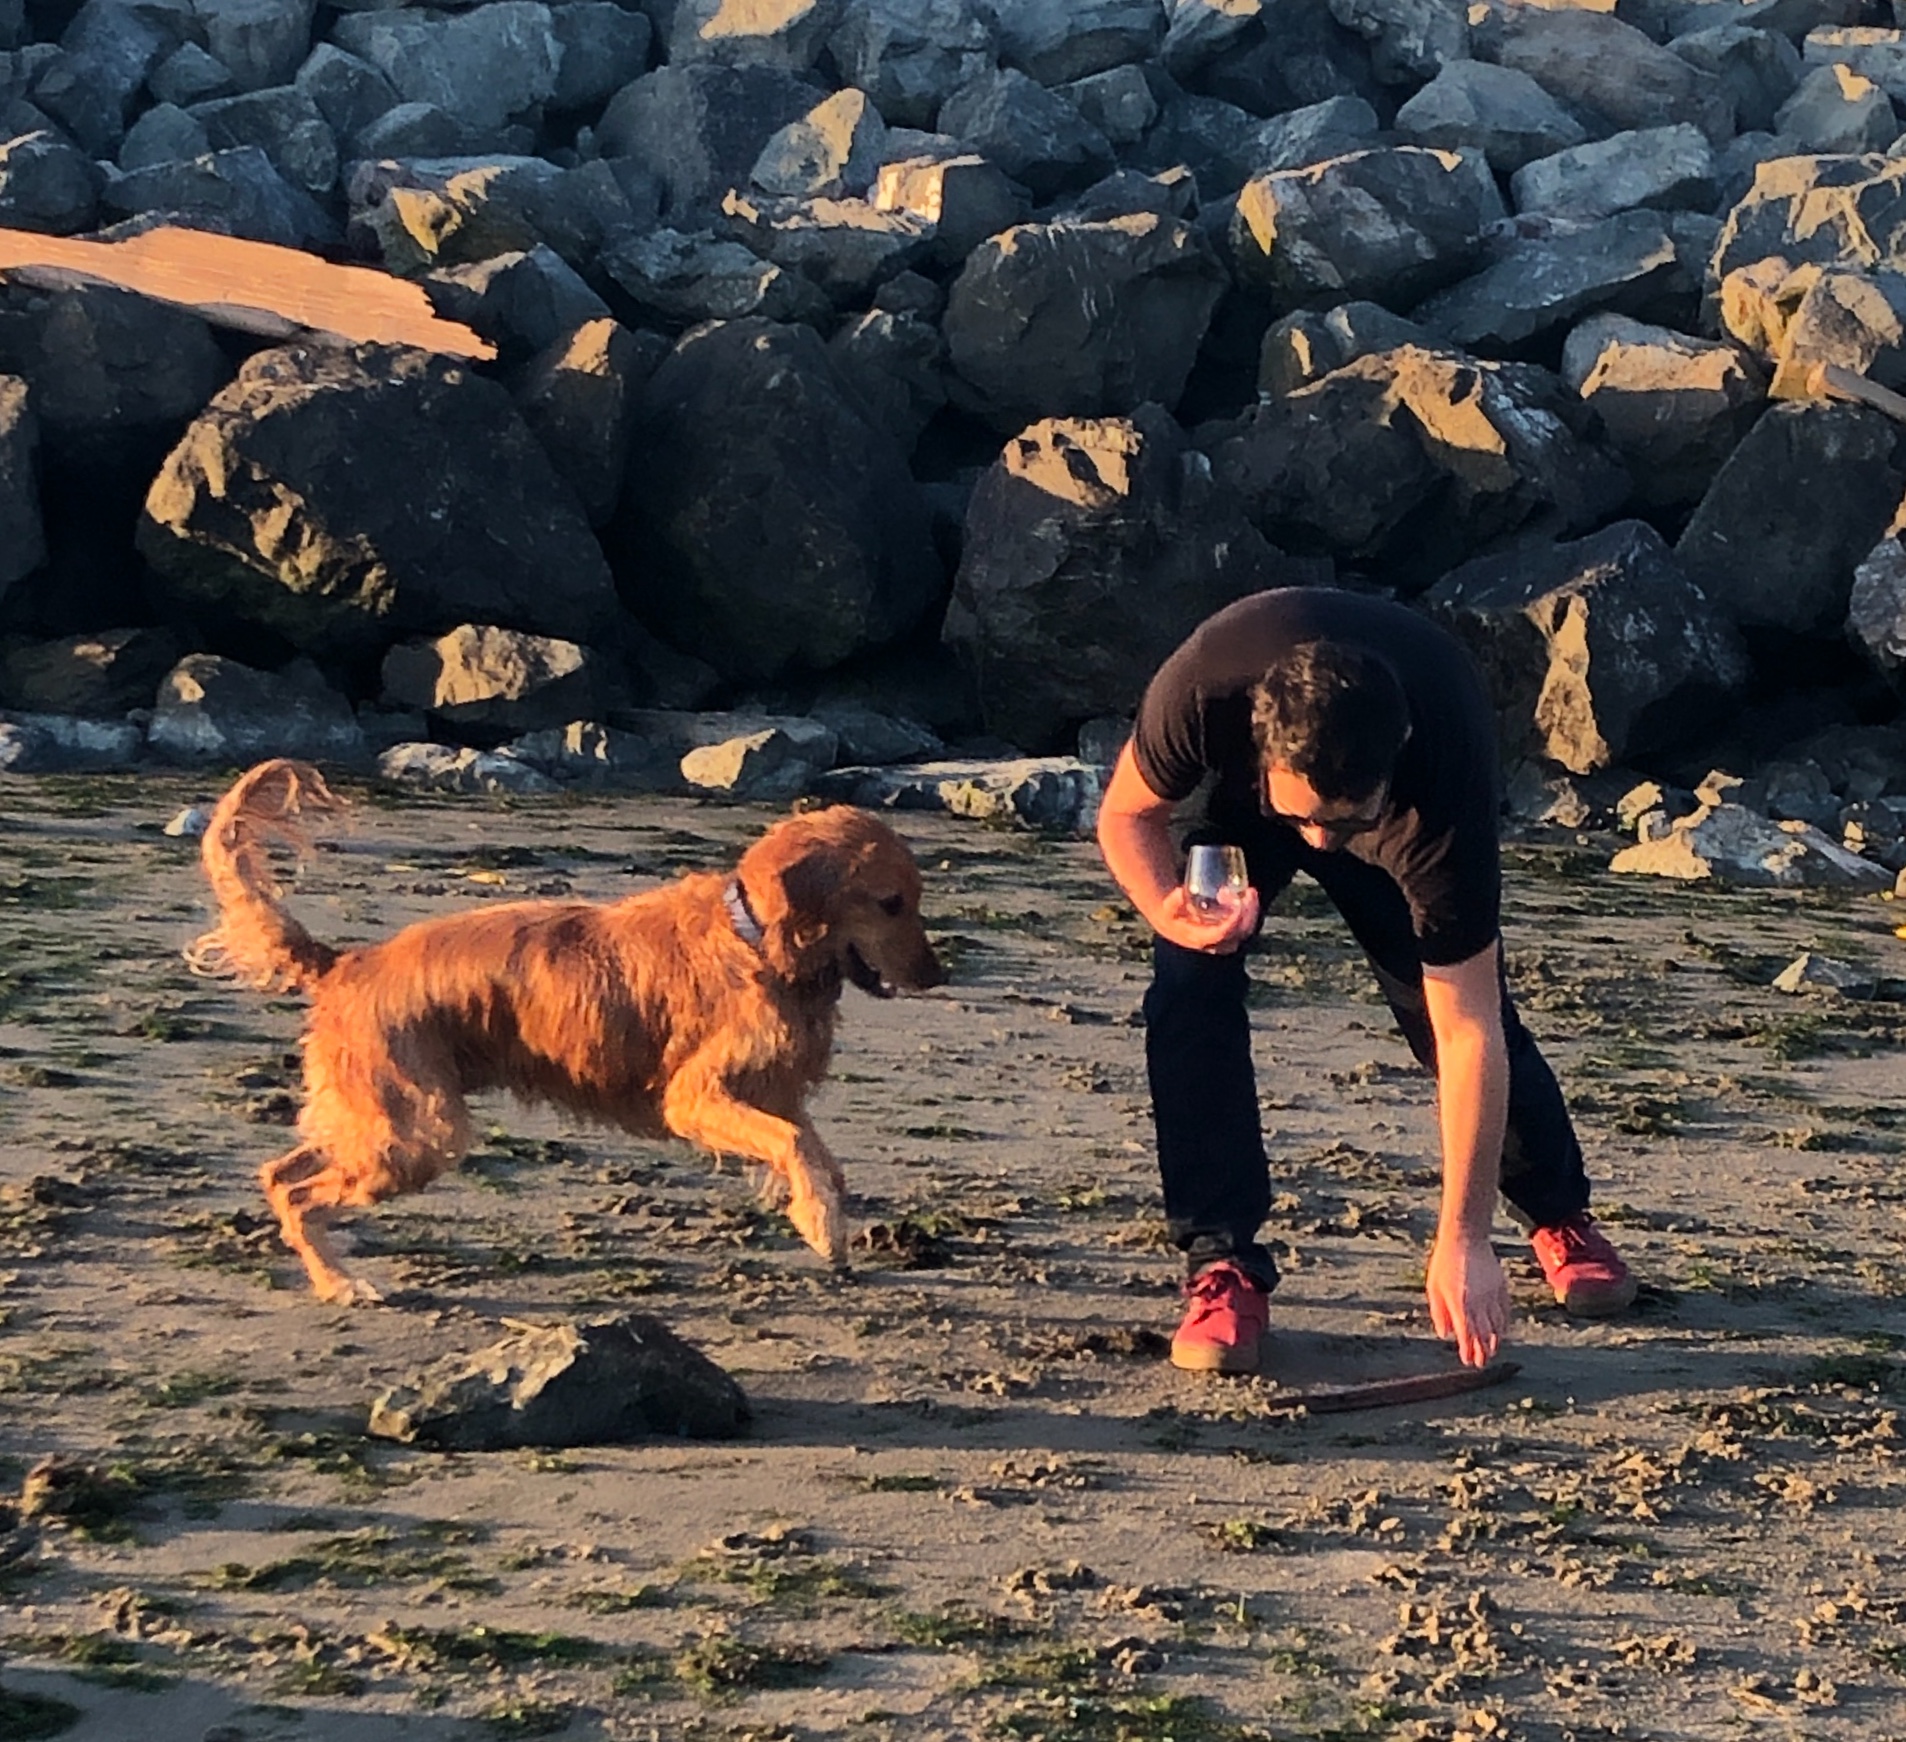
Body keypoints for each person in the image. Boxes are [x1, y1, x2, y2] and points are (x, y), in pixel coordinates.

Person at [1095, 586, 1636, 1375]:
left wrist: (1463, 1239)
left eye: (1339, 823)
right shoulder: (1204, 692)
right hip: (1241, 814)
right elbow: (1125, 816)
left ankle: (1558, 1214)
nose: (1320, 841)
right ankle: (1223, 1265)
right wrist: (1166, 909)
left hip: (1398, 806)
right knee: (1188, 990)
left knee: (1443, 1008)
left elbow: (1468, 1027)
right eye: (1305, 820)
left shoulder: (1441, 771)